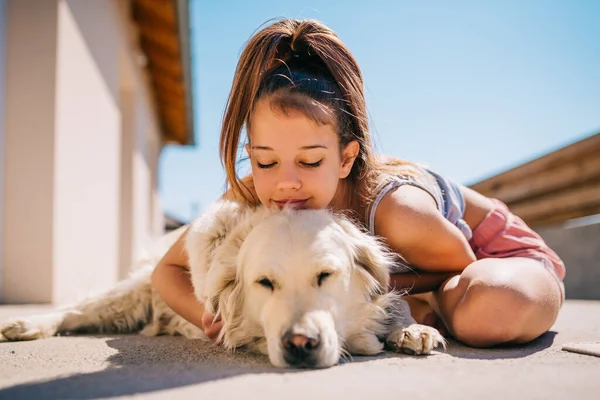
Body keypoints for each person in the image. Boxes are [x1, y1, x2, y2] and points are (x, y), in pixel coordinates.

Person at [151, 19, 565, 348]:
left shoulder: (398, 211)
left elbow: (461, 266)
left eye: (310, 160)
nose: (286, 183)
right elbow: (168, 271)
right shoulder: (258, 190)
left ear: (346, 157)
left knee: (488, 311)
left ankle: (427, 314)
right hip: (427, 276)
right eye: (265, 160)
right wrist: (216, 318)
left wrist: (367, 282)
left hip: (487, 260)